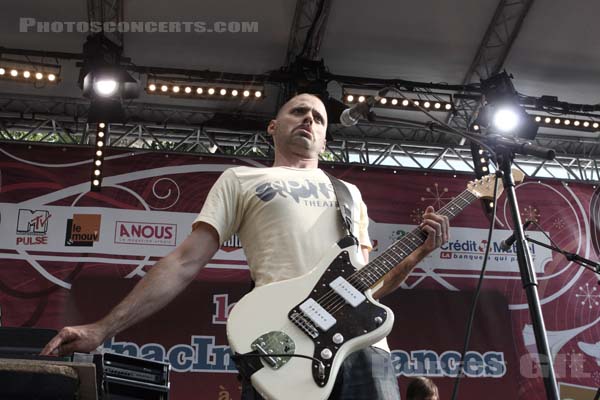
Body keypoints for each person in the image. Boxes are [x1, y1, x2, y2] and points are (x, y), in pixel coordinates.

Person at [42, 93, 449, 399]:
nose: (309, 118)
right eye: (298, 111)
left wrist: (419, 253)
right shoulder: (240, 180)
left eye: (319, 118)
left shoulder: (350, 194)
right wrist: (102, 328)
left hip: (364, 348)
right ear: (273, 126)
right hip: (288, 346)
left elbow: (367, 287)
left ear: (325, 140)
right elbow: (185, 262)